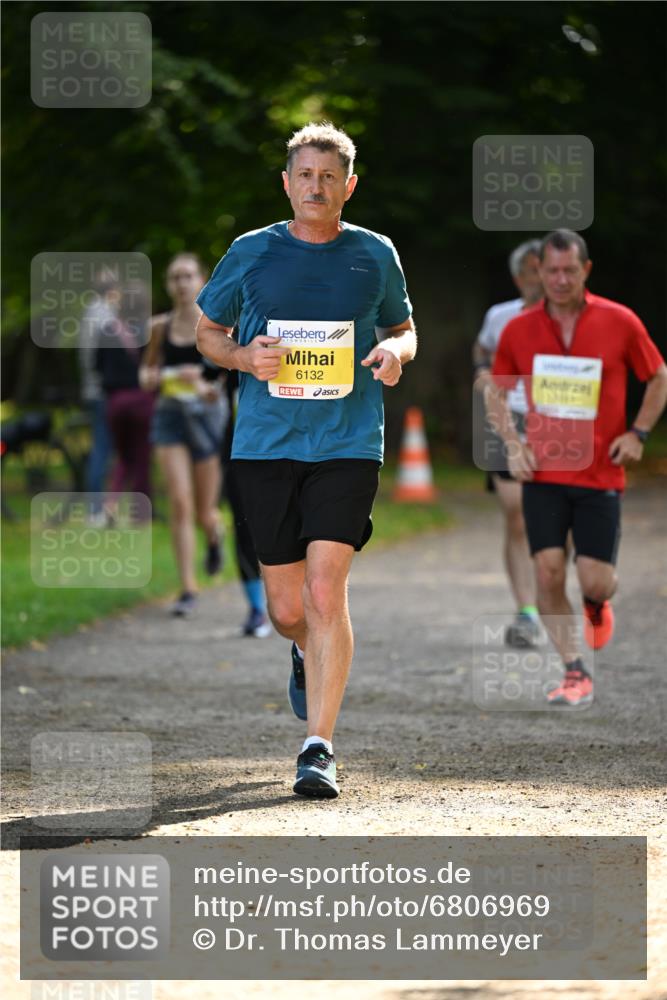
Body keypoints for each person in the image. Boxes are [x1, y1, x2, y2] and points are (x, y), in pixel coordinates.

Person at [196, 122, 416, 797]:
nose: (315, 186)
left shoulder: (373, 254)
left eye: (329, 176)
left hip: (348, 442)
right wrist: (241, 356)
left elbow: (403, 328)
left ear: (349, 186)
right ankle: (299, 648)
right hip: (265, 443)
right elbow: (208, 332)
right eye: (304, 175)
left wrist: (393, 356)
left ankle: (317, 746)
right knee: (288, 606)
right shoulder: (250, 251)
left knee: (326, 590)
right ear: (286, 183)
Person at [488, 229, 667, 707]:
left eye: (570, 270)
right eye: (552, 271)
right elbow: (495, 388)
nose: (561, 279)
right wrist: (511, 443)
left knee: (594, 579)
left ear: (585, 270)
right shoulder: (519, 328)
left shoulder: (620, 321)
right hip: (543, 475)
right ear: (538, 273)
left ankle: (596, 602)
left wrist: (639, 433)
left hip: (599, 474)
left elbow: (658, 376)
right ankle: (574, 670)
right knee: (547, 571)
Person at [140, 253, 228, 617]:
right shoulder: (158, 327)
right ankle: (188, 587)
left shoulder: (216, 325)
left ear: (201, 280)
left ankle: (214, 535)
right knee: (179, 501)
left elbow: (227, 373)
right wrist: (154, 379)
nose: (181, 283)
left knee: (205, 511)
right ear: (168, 283)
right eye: (175, 277)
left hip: (206, 418)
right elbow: (146, 373)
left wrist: (210, 386)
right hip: (170, 417)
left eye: (188, 276)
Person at [473, 240, 543, 648]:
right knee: (517, 513)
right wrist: (483, 371)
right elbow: (481, 347)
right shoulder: (501, 316)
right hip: (508, 418)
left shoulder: (573, 317)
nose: (544, 279)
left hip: (557, 421)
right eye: (534, 271)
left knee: (557, 522)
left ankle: (551, 591)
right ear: (520, 277)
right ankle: (527, 611)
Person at [221, 367, 271, 638]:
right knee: (244, 526)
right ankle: (256, 607)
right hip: (239, 451)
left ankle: (304, 601)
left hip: (297, 448)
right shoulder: (228, 336)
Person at [95, 280, 155, 509]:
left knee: (122, 456)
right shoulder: (149, 331)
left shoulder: (107, 330)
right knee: (141, 457)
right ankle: (140, 511)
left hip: (115, 402)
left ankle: (111, 503)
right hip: (142, 401)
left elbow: (97, 365)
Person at [79, 268, 119, 521]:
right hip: (103, 390)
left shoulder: (89, 313)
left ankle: (101, 508)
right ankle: (96, 511)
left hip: (95, 389)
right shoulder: (103, 314)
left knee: (102, 448)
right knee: (103, 450)